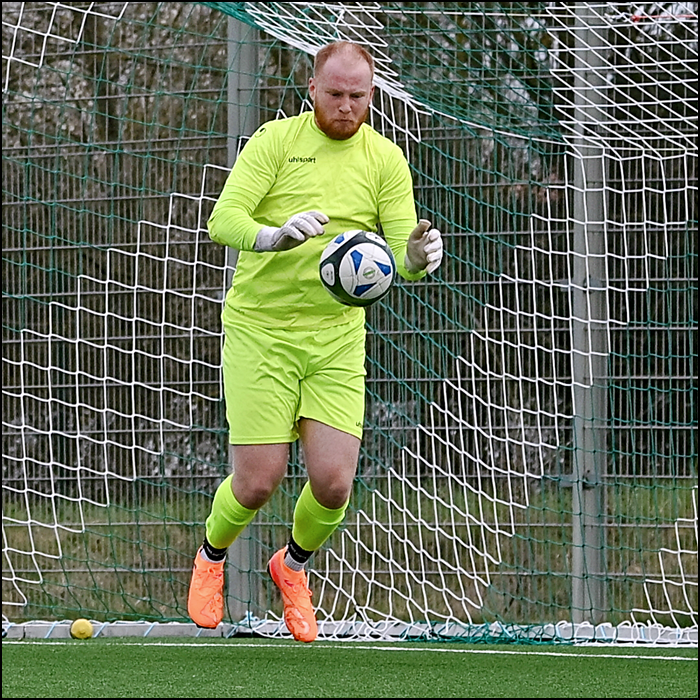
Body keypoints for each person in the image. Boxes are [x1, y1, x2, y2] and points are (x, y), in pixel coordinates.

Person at [187, 40, 443, 643]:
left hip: (336, 338)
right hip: (262, 331)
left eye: (358, 95)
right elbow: (223, 220)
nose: (346, 106)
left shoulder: (385, 159)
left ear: (372, 95)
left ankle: (293, 567)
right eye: (335, 94)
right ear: (311, 89)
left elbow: (400, 253)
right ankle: (211, 556)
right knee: (258, 481)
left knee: (333, 484)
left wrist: (414, 258)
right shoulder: (275, 142)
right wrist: (273, 235)